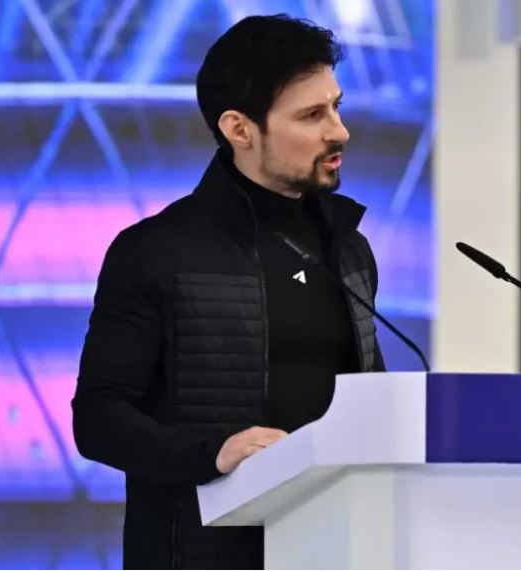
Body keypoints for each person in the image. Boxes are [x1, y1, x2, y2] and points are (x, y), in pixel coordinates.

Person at [72, 14, 386, 570]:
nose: (339, 132)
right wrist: (212, 453)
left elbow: (371, 401)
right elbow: (98, 420)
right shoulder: (155, 251)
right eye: (311, 115)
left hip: (337, 548)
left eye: (336, 107)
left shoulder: (349, 249)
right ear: (240, 129)